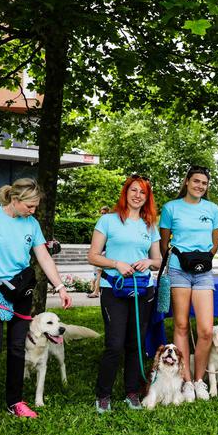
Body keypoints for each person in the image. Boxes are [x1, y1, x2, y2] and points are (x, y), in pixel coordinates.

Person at [0, 178, 72, 426]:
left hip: (20, 292)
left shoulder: (31, 224)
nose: (33, 211)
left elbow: (43, 257)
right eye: (30, 206)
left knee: (17, 348)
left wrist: (60, 287)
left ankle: (15, 401)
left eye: (36, 207)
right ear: (15, 200)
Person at [88, 176, 161, 413]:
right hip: (114, 290)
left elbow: (159, 261)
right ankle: (103, 394)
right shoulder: (108, 220)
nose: (137, 195)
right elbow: (93, 256)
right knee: (114, 344)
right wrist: (116, 263)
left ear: (147, 197)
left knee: (136, 343)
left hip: (142, 291)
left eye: (143, 192)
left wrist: (148, 261)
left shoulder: (150, 225)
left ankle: (132, 392)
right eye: (133, 190)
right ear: (125, 192)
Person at [159, 165, 218, 402]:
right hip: (178, 271)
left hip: (203, 272)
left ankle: (199, 380)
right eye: (196, 181)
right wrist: (182, 259)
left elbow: (214, 242)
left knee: (206, 330)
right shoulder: (171, 208)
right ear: (186, 182)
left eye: (204, 183)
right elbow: (164, 244)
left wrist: (201, 260)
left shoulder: (212, 208)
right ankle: (185, 381)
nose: (200, 186)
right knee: (181, 325)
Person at [88, 205, 111, 299]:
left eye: (104, 213)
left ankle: (96, 291)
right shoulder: (102, 224)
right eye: (101, 213)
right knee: (97, 273)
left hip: (104, 252)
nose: (102, 215)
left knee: (99, 272)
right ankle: (96, 289)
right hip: (99, 252)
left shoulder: (109, 224)